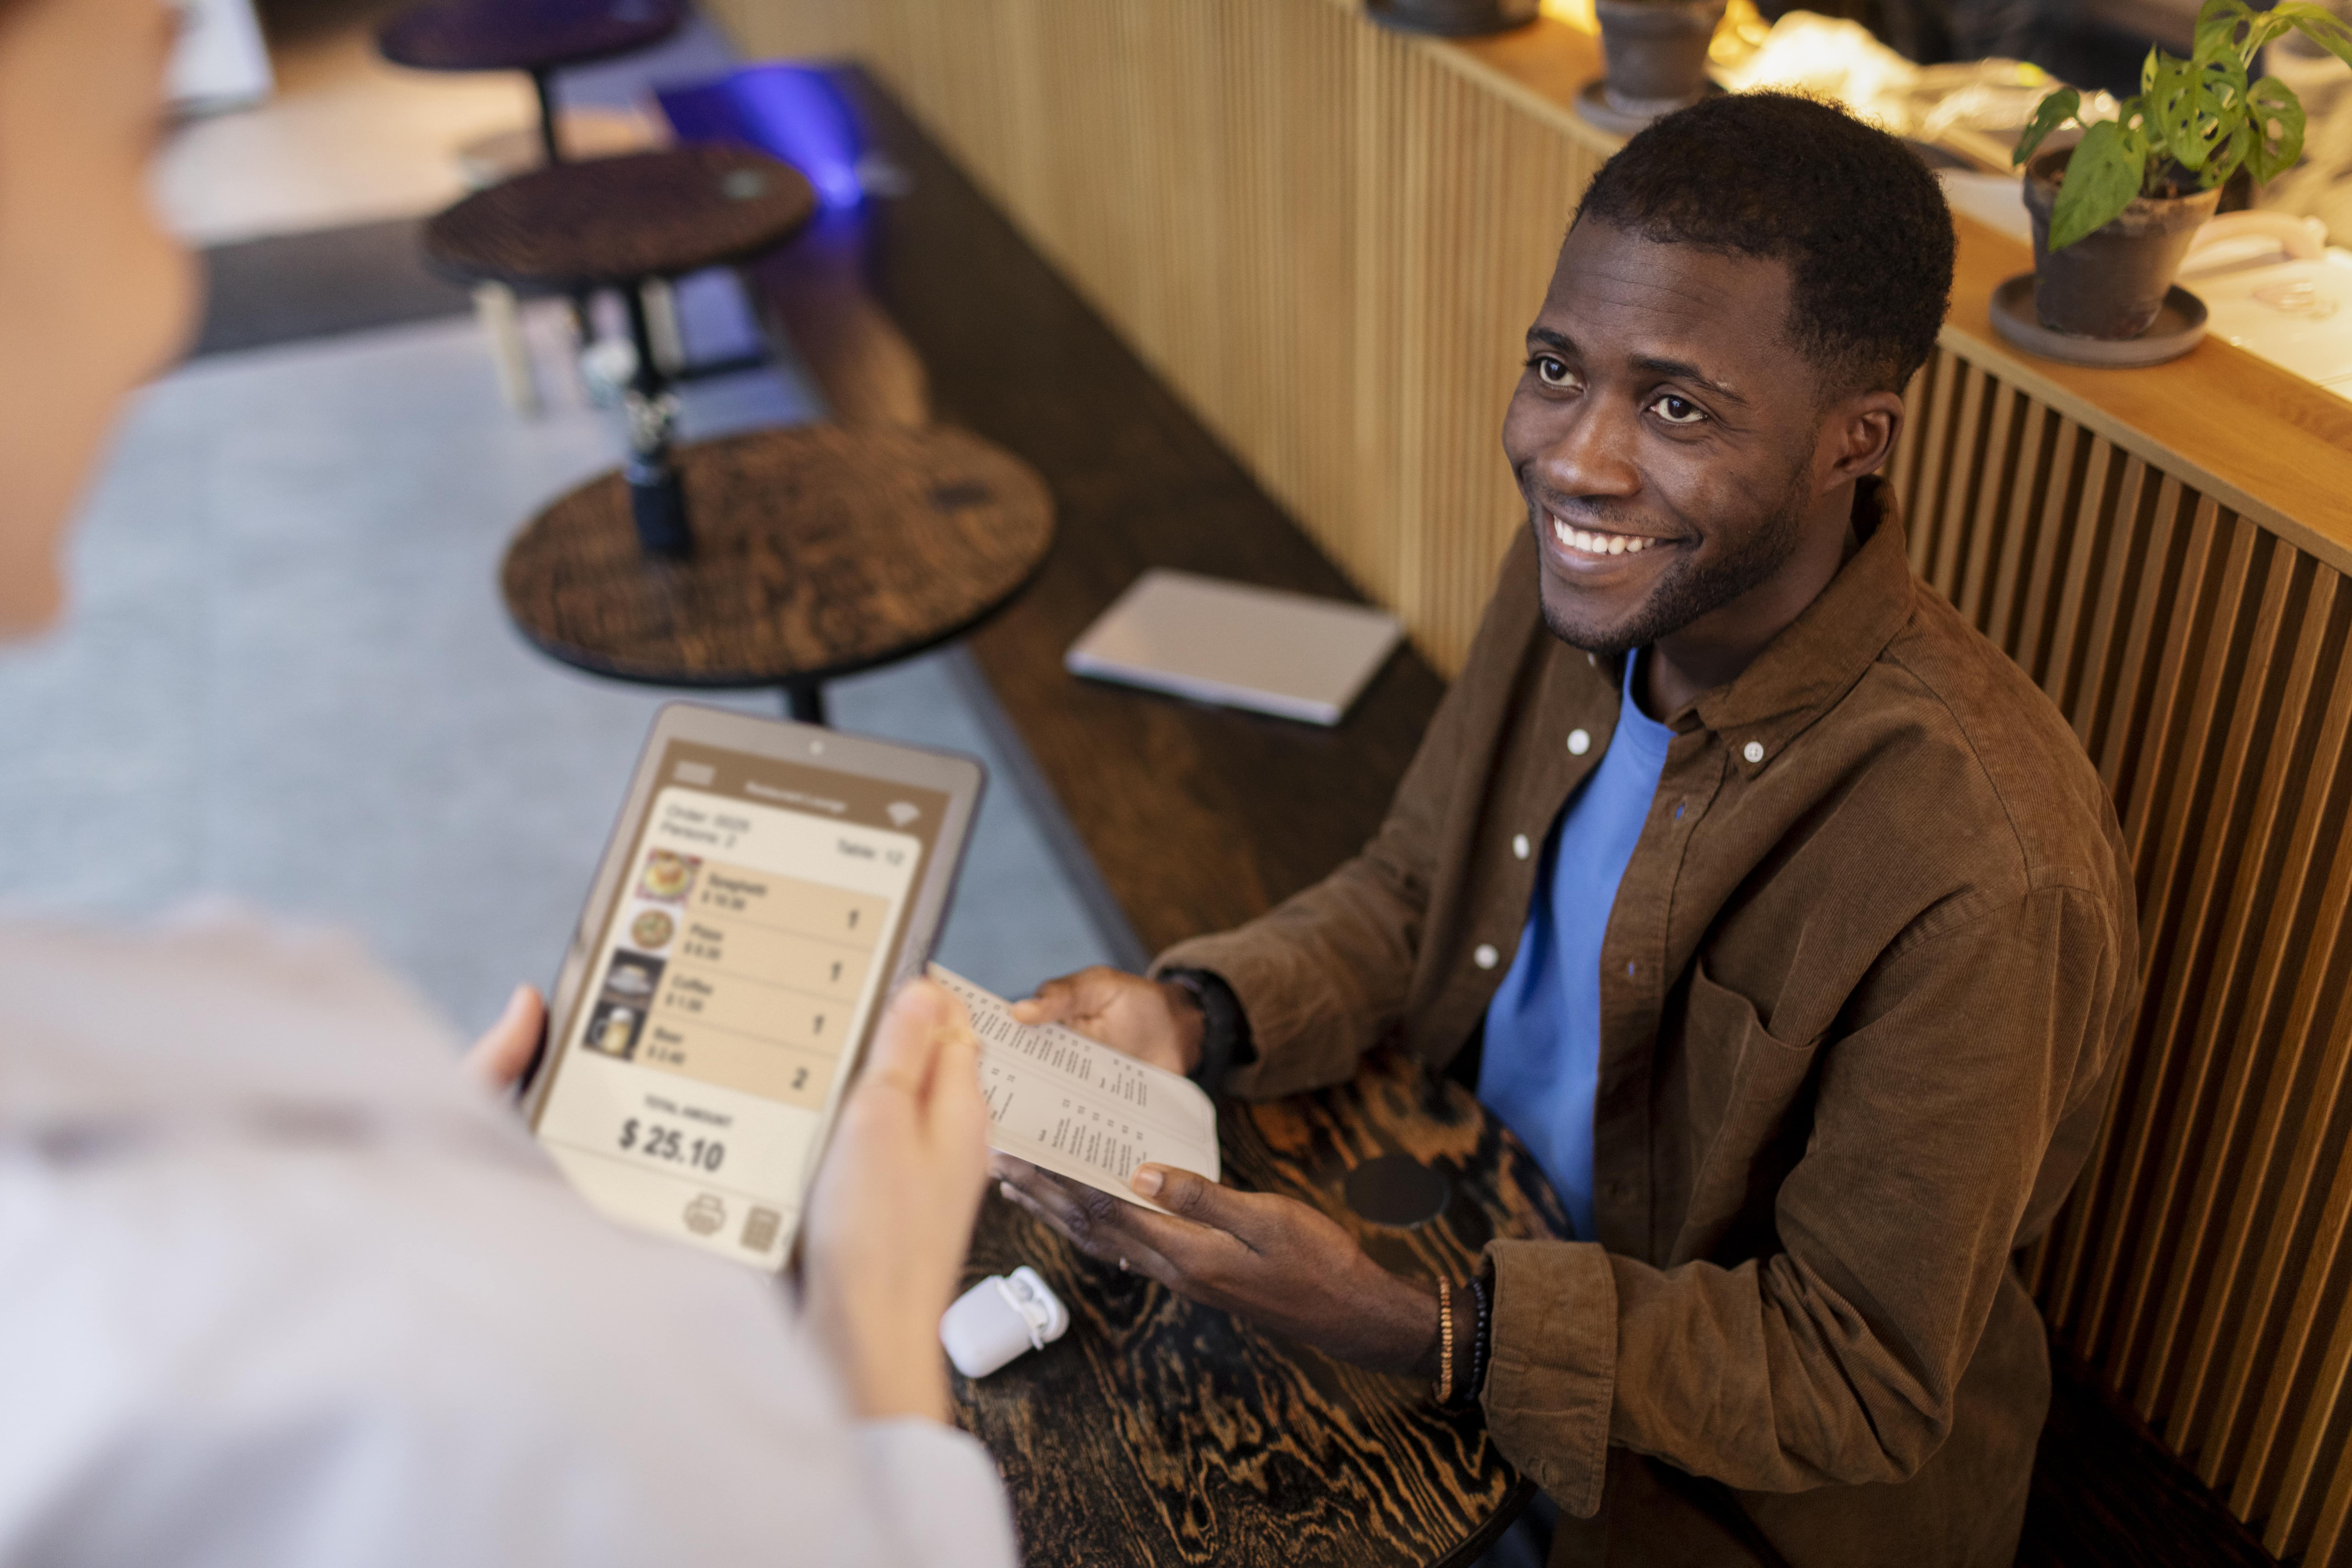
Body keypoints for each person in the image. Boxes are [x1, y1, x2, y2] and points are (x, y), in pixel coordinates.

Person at [998, 93, 2137, 1568]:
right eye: (1556, 368)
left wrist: (1413, 1326)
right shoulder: (1593, 577)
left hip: (1704, 1497)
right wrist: (1194, 1008)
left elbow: (1853, 1377)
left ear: (1858, 439)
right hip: (1450, 1248)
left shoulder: (1983, 862)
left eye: (1677, 407)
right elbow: (1416, 890)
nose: (1575, 460)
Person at [0, 0, 1012, 1562]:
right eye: (140, 147)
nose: (164, 293)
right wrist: (878, 1337)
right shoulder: (153, 1326)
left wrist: (401, 1192)